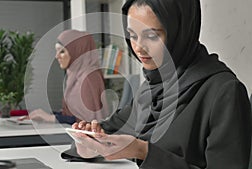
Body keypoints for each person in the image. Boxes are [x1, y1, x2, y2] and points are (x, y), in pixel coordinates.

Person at [71, 0, 252, 168]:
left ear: (180, 32)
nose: (139, 47)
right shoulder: (153, 87)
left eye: (151, 36)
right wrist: (88, 143)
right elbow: (110, 129)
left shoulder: (224, 92)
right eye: (132, 35)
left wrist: (143, 151)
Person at [28, 30, 109, 125]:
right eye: (56, 51)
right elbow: (72, 116)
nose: (57, 56)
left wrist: (52, 118)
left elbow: (89, 121)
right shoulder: (74, 76)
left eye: (62, 51)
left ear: (77, 51)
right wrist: (47, 115)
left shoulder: (89, 77)